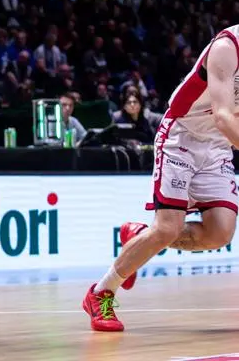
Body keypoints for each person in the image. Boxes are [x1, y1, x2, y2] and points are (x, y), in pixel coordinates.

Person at [83, 27, 239, 332]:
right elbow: (223, 116)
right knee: (168, 227)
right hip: (182, 136)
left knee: (220, 233)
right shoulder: (227, 46)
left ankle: (140, 235)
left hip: (217, 146)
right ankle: (101, 291)